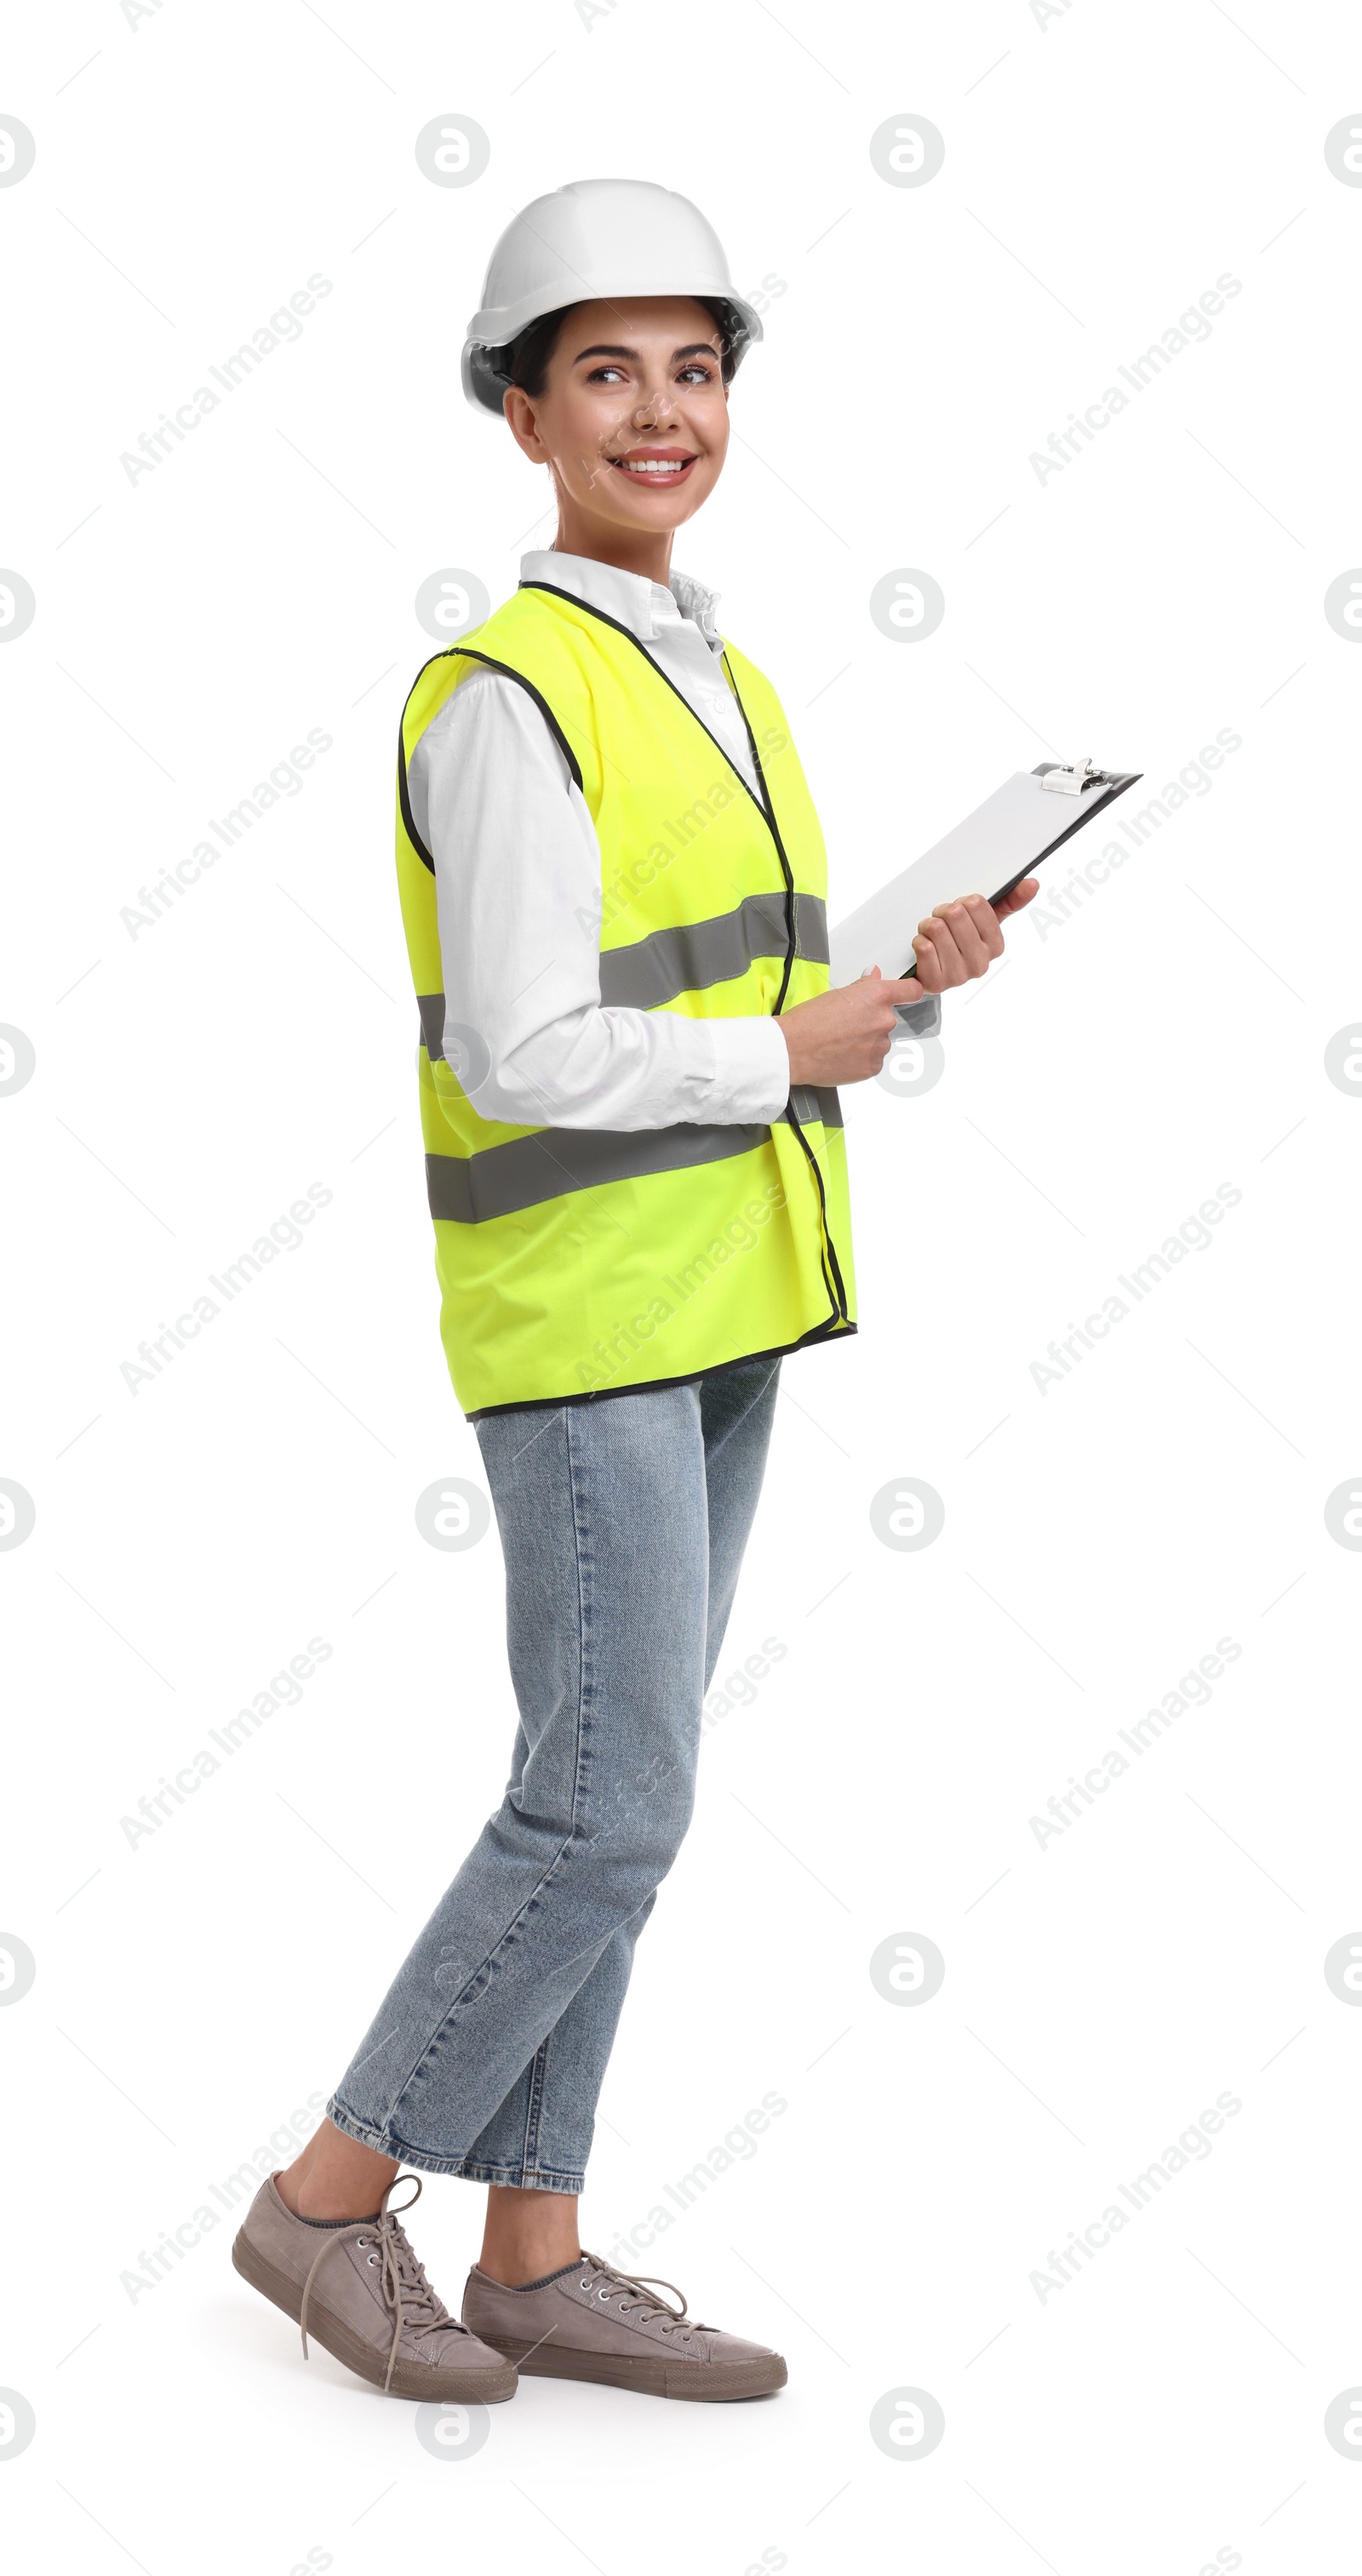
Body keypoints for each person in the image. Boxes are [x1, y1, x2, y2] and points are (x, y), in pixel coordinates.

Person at [232, 178, 1035, 2406]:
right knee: (610, 1805)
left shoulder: (729, 672)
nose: (660, 411)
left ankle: (532, 2245)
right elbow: (525, 1047)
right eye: (605, 370)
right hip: (588, 1310)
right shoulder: (503, 696)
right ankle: (320, 2204)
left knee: (602, 1781)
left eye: (694, 369)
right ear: (522, 415)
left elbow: (745, 998)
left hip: (724, 1297)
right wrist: (796, 1044)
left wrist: (893, 988)